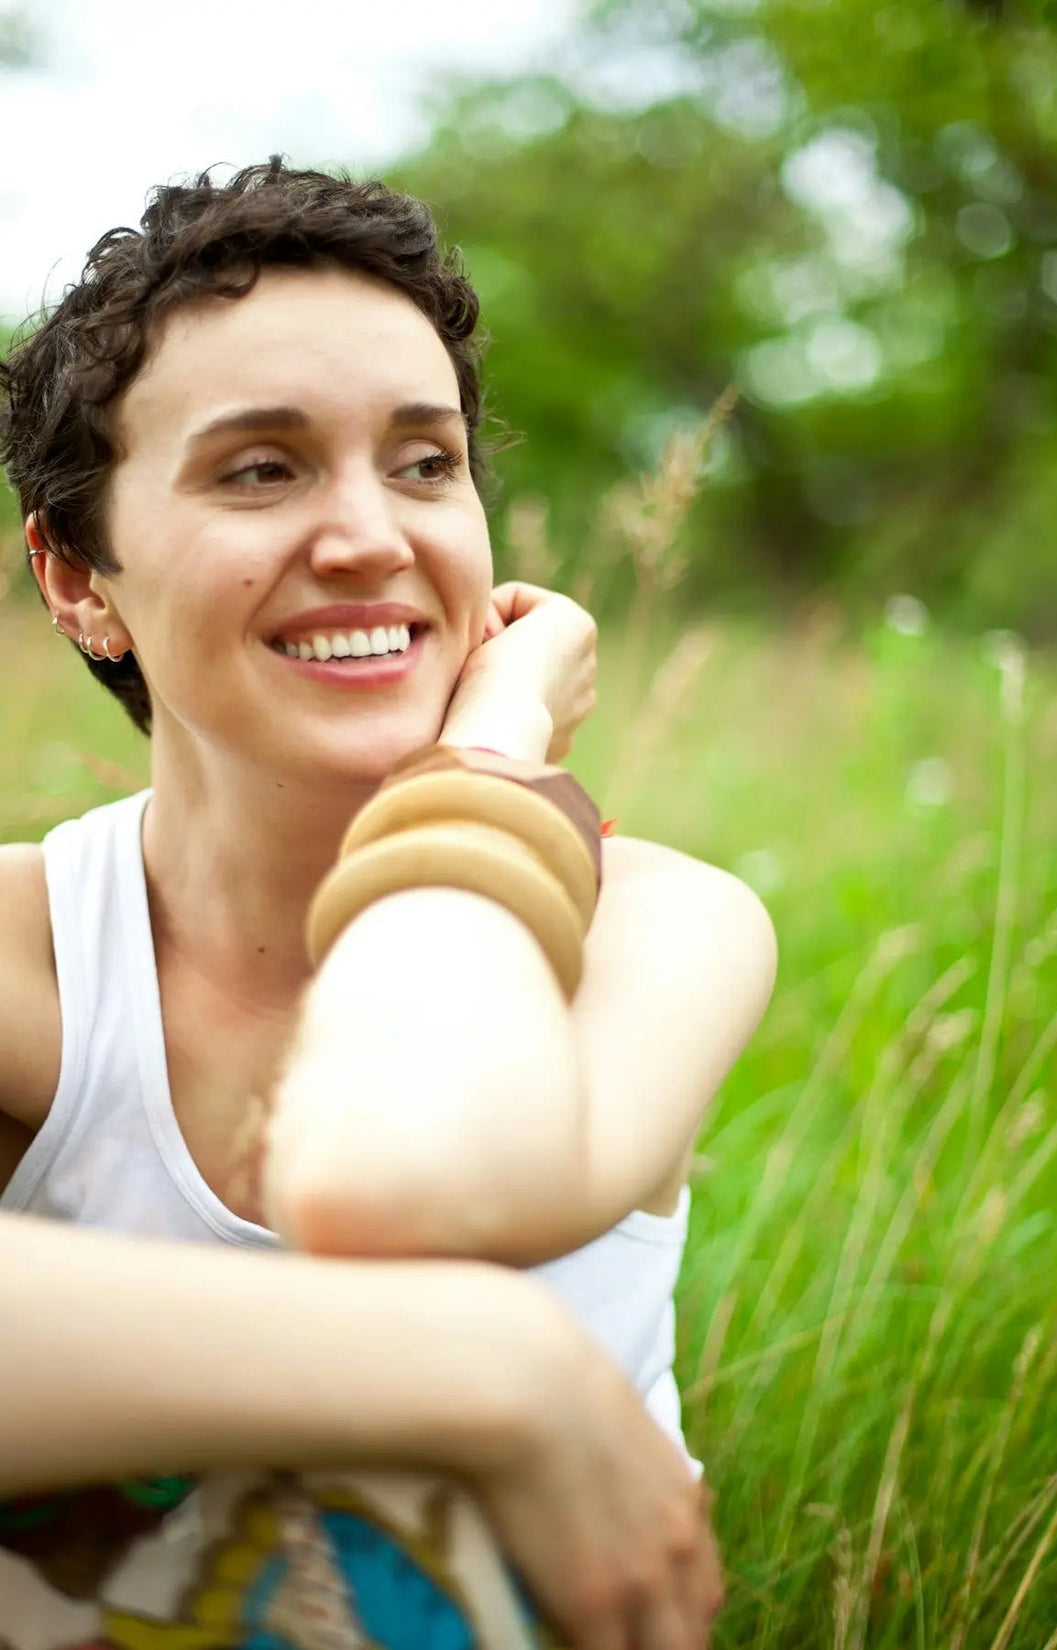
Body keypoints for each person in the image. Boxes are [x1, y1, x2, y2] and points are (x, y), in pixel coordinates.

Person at [0, 159, 776, 1648]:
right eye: (260, 468)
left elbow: (395, 1175)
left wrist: (490, 755)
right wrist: (494, 1367)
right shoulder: (28, 957)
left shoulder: (659, 930)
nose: (371, 535)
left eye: (425, 465)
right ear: (80, 576)